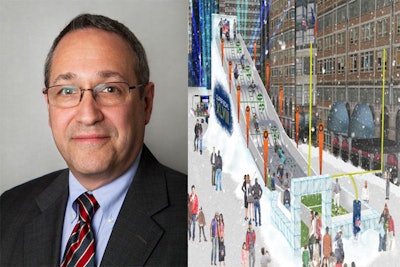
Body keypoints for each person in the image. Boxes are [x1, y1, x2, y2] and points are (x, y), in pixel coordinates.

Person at [0, 13, 187, 266]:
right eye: (67, 91)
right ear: (49, 106)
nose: (88, 115)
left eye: (110, 89)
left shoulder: (200, 219)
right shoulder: (8, 211)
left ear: (146, 103)